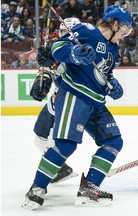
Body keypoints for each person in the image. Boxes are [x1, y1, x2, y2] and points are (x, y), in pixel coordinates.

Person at [22, 5, 132, 210]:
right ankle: (36, 189)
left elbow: (104, 74)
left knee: (114, 141)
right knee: (65, 145)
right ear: (115, 23)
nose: (126, 32)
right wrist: (74, 53)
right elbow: (56, 48)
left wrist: (112, 84)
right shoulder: (87, 31)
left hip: (97, 102)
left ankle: (89, 187)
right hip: (75, 94)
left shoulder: (114, 48)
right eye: (125, 26)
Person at [29, 18, 81, 185]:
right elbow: (47, 71)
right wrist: (41, 81)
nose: (64, 35)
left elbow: (71, 74)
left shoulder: (83, 51)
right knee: (39, 138)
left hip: (75, 104)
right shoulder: (55, 49)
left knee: (55, 143)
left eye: (68, 32)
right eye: (63, 31)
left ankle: (48, 172)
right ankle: (60, 168)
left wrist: (53, 64)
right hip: (56, 101)